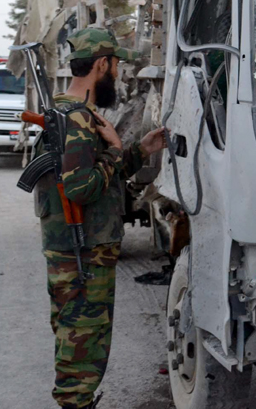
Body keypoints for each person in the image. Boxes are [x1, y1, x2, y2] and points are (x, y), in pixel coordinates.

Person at [35, 28, 166, 409]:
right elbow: (81, 188)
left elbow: (91, 177)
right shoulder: (76, 119)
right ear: (102, 64)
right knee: (84, 342)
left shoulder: (64, 111)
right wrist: (116, 150)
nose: (118, 74)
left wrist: (139, 152)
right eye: (116, 65)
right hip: (84, 253)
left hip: (74, 248)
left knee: (74, 335)